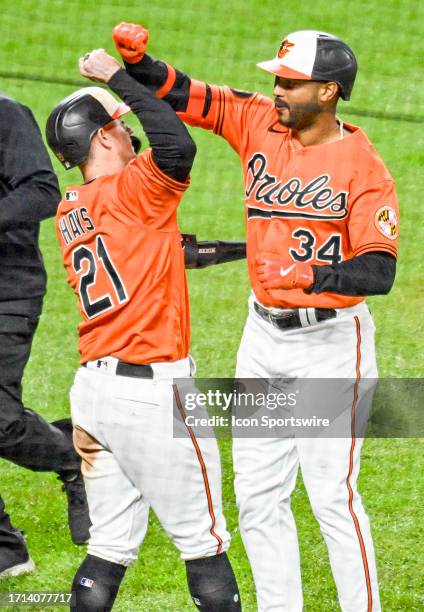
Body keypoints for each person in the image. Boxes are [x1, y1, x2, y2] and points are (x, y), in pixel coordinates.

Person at [112, 24, 399, 612]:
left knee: (331, 498)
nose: (277, 90)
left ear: (328, 92)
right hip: (261, 342)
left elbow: (378, 272)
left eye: (290, 83)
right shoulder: (258, 122)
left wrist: (312, 278)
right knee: (259, 495)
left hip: (329, 348)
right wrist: (140, 63)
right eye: (276, 78)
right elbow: (184, 93)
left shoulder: (363, 167)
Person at [46, 48, 241, 612]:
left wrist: (248, 252)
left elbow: (167, 250)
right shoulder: (135, 189)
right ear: (103, 140)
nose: (131, 135)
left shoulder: (73, 209)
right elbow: (178, 145)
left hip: (94, 397)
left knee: (109, 548)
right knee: (204, 544)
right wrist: (117, 78)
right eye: (121, 128)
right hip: (153, 396)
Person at [0, 91, 90, 578]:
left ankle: (75, 456)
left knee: (0, 420)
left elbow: (41, 190)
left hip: (6, 292)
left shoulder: (6, 113)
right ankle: (6, 552)